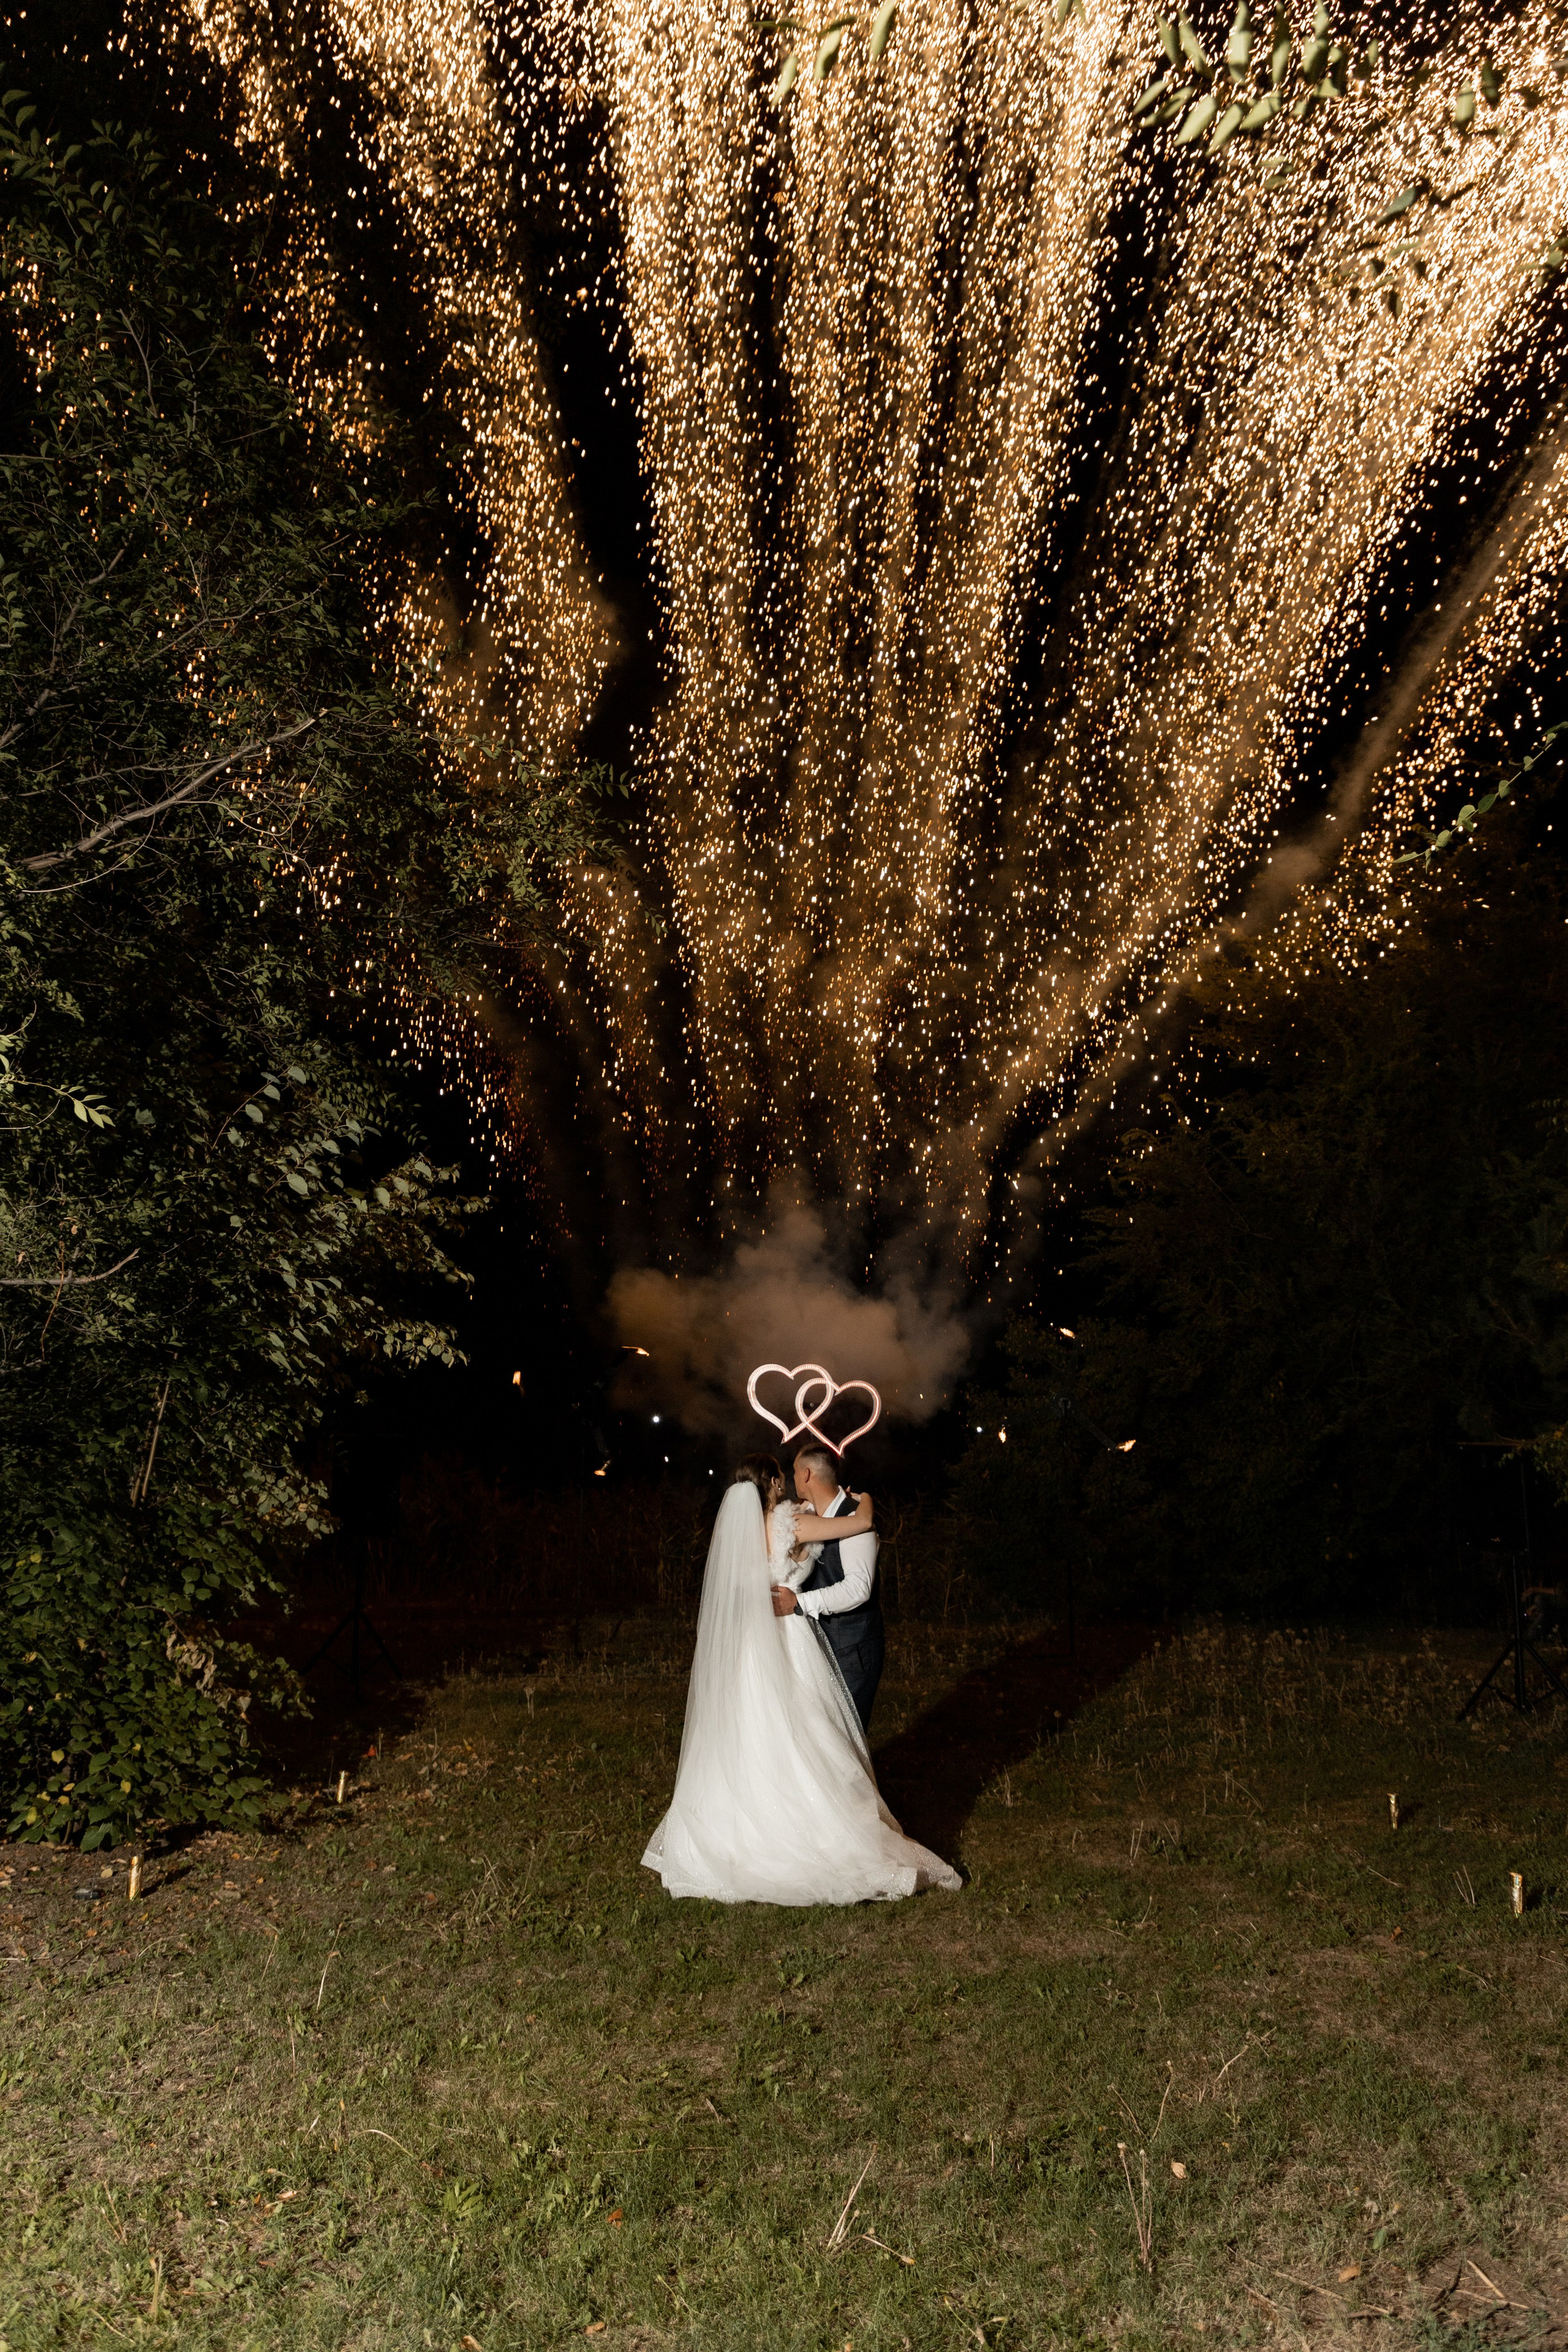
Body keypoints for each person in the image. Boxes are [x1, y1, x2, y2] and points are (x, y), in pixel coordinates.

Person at [641, 1455, 960, 1905]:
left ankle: (741, 1834)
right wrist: (866, 1498)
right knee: (804, 1728)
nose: (789, 1484)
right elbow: (861, 1523)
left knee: (753, 1731)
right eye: (782, 1478)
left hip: (752, 1645)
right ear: (774, 1482)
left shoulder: (741, 1531)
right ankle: (812, 1830)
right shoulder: (791, 1524)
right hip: (789, 1637)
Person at [769, 1442, 885, 1733]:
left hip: (852, 1646)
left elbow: (859, 1588)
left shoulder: (855, 1517)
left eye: (795, 1472)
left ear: (807, 1474)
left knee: (848, 1735)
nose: (792, 1479)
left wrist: (800, 1604)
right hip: (817, 1644)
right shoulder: (806, 1515)